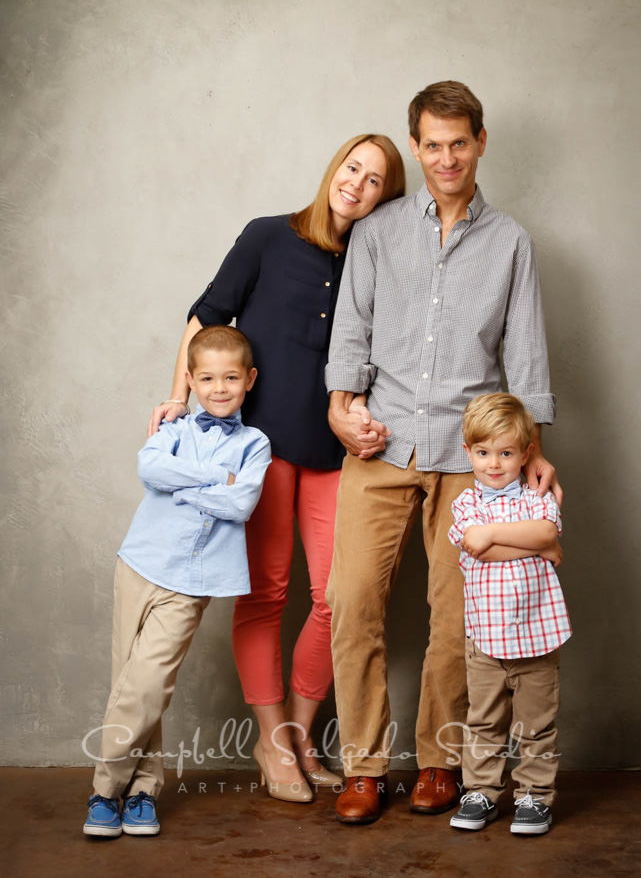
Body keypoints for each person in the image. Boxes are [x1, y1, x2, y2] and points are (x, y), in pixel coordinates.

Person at [325, 80, 562, 824]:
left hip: (473, 460)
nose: (445, 156)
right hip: (382, 442)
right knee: (350, 602)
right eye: (431, 143)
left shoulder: (510, 242)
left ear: (479, 142)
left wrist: (532, 450)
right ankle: (361, 768)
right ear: (417, 146)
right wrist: (340, 407)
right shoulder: (378, 231)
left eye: (459, 142)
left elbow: (523, 354)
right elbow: (351, 332)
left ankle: (440, 761)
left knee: (457, 619)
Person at [147, 136, 406, 802]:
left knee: (333, 598)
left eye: (374, 179)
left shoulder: (377, 260)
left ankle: (296, 731)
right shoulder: (267, 237)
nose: (357, 183)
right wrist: (178, 397)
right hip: (256, 451)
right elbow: (207, 316)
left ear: (386, 196)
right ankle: (269, 742)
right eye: (352, 167)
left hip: (332, 453)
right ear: (333, 169)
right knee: (266, 594)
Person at [84, 326, 271, 837]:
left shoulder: (255, 445)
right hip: (140, 563)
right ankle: (142, 793)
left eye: (230, 377)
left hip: (194, 579)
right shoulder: (173, 427)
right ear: (189, 380)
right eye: (206, 378)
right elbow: (150, 470)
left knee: (147, 685)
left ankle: (104, 791)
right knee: (130, 684)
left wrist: (186, 483)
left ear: (249, 380)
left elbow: (242, 504)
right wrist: (215, 479)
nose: (218, 388)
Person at [448, 393, 571, 835]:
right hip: (486, 638)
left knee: (537, 724)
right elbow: (474, 546)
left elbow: (540, 531)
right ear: (469, 453)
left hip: (537, 636)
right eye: (483, 453)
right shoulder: (464, 506)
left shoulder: (537, 497)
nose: (494, 464)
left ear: (525, 454)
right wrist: (540, 547)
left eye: (505, 453)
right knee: (484, 720)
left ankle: (535, 798)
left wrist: (497, 534)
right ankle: (480, 790)